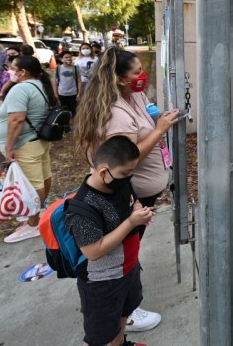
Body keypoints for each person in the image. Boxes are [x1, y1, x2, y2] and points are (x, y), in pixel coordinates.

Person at [74, 47, 179, 333]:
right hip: (130, 196)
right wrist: (159, 130)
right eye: (135, 72)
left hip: (140, 192)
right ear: (120, 78)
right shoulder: (116, 113)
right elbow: (126, 157)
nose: (141, 75)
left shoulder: (132, 95)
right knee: (122, 252)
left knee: (129, 247)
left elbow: (147, 111)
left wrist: (156, 116)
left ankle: (124, 307)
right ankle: (125, 313)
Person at [66, 136, 154, 346]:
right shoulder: (83, 209)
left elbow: (134, 200)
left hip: (128, 269)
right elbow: (93, 251)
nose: (128, 177)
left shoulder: (119, 184)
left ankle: (120, 342)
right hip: (103, 283)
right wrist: (132, 222)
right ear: (104, 171)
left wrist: (138, 209)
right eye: (125, 173)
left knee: (122, 316)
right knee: (100, 336)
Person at [0, 55, 57, 243]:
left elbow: (17, 119)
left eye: (12, 68)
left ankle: (33, 224)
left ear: (23, 72)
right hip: (39, 141)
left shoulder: (21, 89)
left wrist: (9, 147)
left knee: (31, 185)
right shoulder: (41, 84)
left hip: (25, 144)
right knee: (43, 178)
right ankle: (39, 213)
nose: (9, 71)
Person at [56, 51, 81, 116]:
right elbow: (55, 82)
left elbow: (79, 81)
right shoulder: (58, 68)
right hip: (62, 93)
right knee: (63, 111)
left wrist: (79, 93)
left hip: (73, 93)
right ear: (61, 59)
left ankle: (73, 123)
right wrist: (56, 94)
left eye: (70, 57)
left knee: (74, 111)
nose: (68, 59)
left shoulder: (76, 68)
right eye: (66, 57)